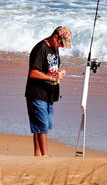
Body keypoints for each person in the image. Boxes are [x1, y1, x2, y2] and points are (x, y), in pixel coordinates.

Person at [25, 26, 72, 156]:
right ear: (55, 37)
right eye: (62, 43)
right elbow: (33, 73)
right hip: (37, 93)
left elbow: (50, 68)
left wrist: (58, 73)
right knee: (42, 126)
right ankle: (45, 156)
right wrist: (52, 77)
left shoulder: (54, 49)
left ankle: (37, 155)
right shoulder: (41, 48)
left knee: (42, 125)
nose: (62, 46)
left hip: (49, 94)